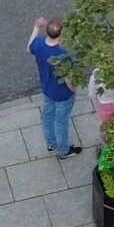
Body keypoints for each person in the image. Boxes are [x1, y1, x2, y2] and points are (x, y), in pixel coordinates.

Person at [29, 18, 81, 158]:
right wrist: (73, 90)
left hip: (47, 89)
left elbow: (29, 47)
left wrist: (36, 27)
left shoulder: (39, 44)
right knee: (61, 122)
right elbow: (69, 79)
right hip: (63, 93)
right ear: (61, 33)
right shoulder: (62, 54)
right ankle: (64, 151)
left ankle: (51, 143)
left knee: (48, 116)